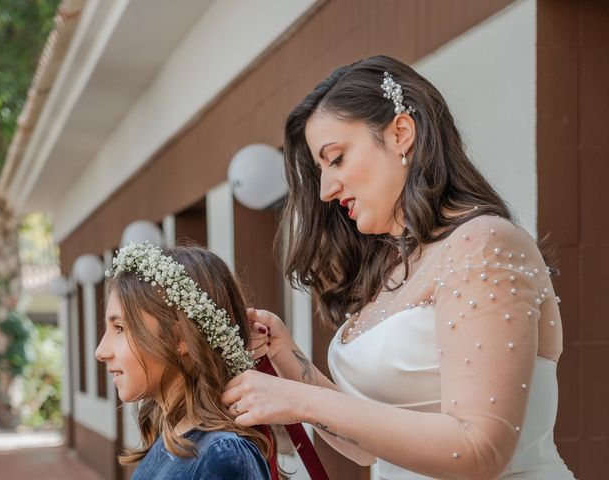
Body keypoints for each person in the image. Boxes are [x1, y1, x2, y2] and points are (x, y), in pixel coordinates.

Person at [222, 55, 576, 479]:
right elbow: (367, 451)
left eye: (335, 159)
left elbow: (479, 450)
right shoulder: (392, 267)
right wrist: (288, 358)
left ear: (401, 134)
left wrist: (298, 401)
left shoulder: (484, 245)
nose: (325, 190)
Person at [95, 243, 272, 479]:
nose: (100, 351)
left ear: (179, 337)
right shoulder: (174, 437)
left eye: (120, 328)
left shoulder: (221, 455)